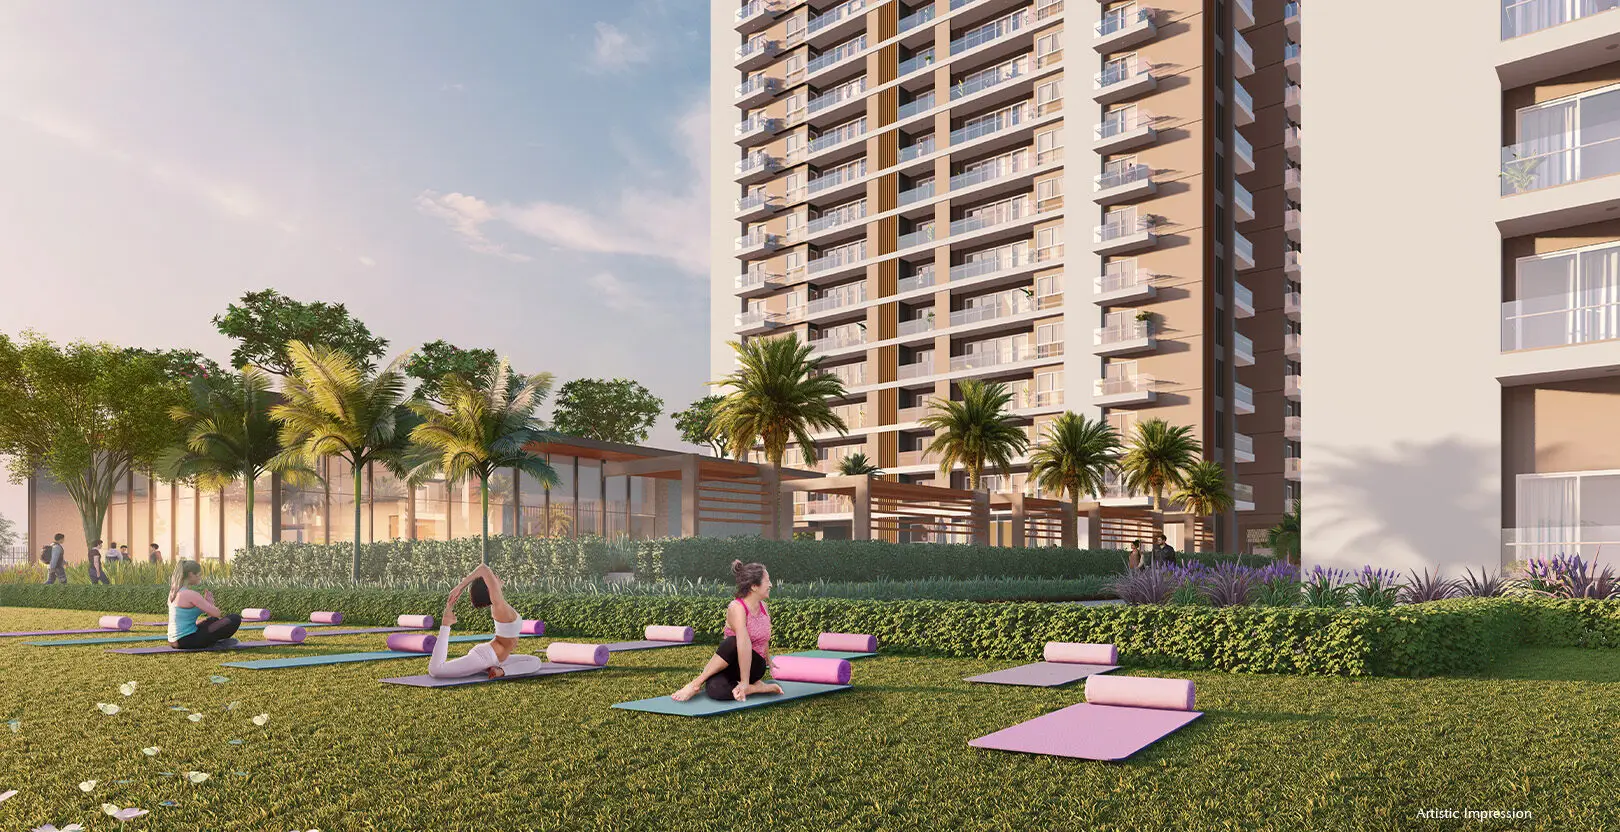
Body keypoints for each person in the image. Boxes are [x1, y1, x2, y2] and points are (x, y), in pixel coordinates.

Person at [671, 560, 783, 703]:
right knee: (715, 689)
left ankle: (695, 684)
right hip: (731, 664)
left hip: (754, 666)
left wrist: (766, 661)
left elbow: (763, 638)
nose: (771, 585)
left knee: (733, 642)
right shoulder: (737, 607)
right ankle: (757, 688)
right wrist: (743, 684)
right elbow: (742, 643)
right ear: (754, 586)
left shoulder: (764, 607)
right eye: (767, 581)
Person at [428, 564, 543, 680]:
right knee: (436, 670)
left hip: (496, 659)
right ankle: (445, 624)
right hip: (485, 657)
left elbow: (485, 572)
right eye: (493, 578)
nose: (496, 577)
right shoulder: (499, 605)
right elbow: (483, 569)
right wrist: (460, 587)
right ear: (489, 589)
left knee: (535, 661)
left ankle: (499, 670)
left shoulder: (500, 605)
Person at [167, 561, 242, 650]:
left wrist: (207, 603)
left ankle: (212, 641)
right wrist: (210, 603)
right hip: (186, 640)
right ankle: (215, 643)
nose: (200, 577)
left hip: (174, 641)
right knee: (234, 618)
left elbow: (212, 616)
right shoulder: (190, 594)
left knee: (212, 620)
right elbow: (217, 613)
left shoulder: (174, 593)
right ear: (191, 574)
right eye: (199, 575)